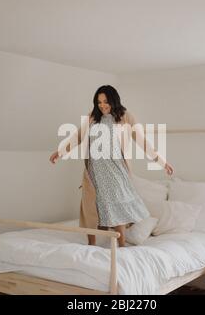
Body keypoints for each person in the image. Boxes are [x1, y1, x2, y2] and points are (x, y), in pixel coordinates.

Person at [50, 85, 174, 247]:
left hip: (115, 170)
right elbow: (77, 137)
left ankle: (121, 247)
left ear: (114, 100)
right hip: (95, 172)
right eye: (99, 102)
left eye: (106, 101)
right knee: (93, 206)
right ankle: (91, 247)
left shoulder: (125, 117)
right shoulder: (92, 117)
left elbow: (143, 142)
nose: (102, 105)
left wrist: (162, 161)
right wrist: (59, 152)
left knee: (116, 208)